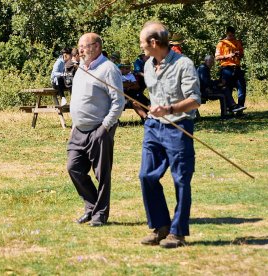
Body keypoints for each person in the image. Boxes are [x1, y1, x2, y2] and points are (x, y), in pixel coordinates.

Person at [138, 21, 201, 248]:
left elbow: (194, 100)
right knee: (147, 176)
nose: (141, 47)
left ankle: (177, 233)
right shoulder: (147, 66)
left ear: (154, 42)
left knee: (181, 180)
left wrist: (170, 109)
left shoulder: (184, 64)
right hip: (153, 128)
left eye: (143, 42)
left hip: (178, 127)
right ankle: (160, 227)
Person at [67, 33, 125, 227]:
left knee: (102, 175)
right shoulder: (81, 69)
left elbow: (119, 102)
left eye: (85, 46)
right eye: (79, 46)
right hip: (79, 130)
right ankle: (91, 206)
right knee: (73, 168)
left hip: (99, 129)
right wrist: (74, 124)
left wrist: (105, 126)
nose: (81, 49)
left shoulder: (108, 69)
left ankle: (100, 214)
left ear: (97, 47)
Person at [215, 26, 246, 115]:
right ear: (227, 34)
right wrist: (229, 55)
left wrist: (239, 54)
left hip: (237, 68)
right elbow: (217, 57)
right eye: (230, 35)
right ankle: (229, 109)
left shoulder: (237, 42)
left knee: (242, 88)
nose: (231, 37)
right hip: (226, 69)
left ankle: (240, 108)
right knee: (228, 89)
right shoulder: (221, 43)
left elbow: (241, 55)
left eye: (233, 35)